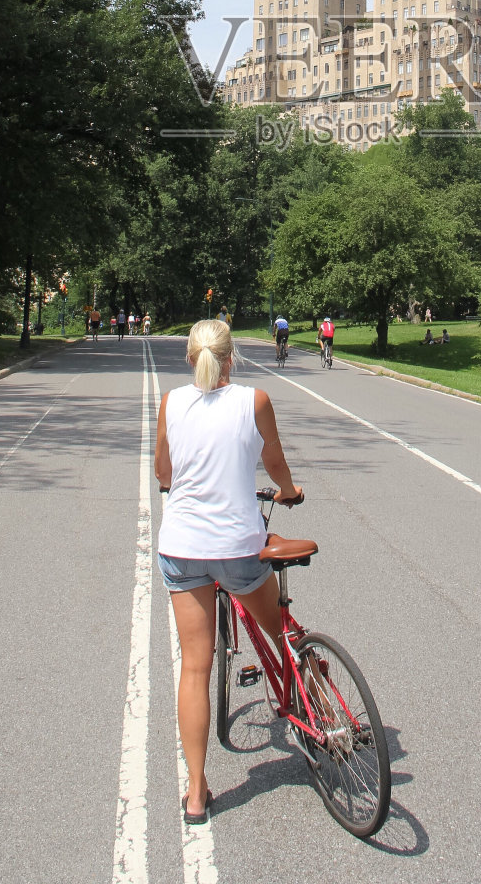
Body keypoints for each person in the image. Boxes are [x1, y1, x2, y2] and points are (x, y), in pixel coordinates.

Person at [155, 320, 302, 825]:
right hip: (237, 549)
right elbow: (276, 462)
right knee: (281, 629)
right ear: (231, 357)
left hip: (183, 548)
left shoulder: (171, 403)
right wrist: (287, 491)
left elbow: (164, 473)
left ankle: (196, 794)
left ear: (190, 357)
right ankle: (310, 692)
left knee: (195, 668)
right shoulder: (254, 400)